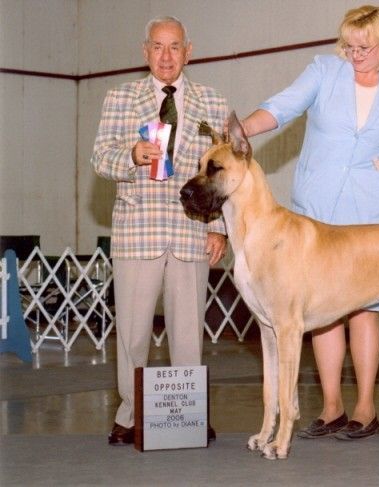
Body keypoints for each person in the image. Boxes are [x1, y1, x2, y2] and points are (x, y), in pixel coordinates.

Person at [240, 5, 379, 440]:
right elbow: (281, 108)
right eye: (349, 46)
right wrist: (241, 130)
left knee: (365, 309)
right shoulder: (324, 71)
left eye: (364, 48)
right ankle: (331, 407)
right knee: (321, 314)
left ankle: (365, 407)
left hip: (370, 213)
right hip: (317, 208)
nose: (355, 55)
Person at [91, 16, 228, 446]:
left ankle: (189, 414)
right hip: (138, 231)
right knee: (132, 335)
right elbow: (100, 158)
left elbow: (224, 172)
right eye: (157, 46)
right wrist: (131, 154)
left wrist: (219, 227)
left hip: (191, 233)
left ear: (189, 51)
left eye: (174, 47)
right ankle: (130, 415)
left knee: (188, 335)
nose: (166, 56)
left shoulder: (214, 102)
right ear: (145, 51)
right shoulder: (120, 98)